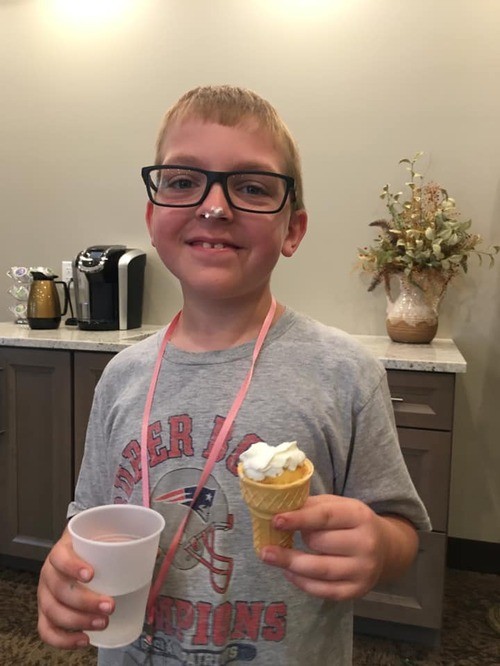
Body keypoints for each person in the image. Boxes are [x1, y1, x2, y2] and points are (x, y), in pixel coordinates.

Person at [37, 84, 431, 665]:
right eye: (182, 181)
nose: (215, 206)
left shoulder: (345, 373)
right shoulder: (121, 376)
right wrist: (61, 572)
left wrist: (378, 546)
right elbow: (86, 523)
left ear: (292, 229)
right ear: (152, 217)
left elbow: (402, 529)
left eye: (251, 187)